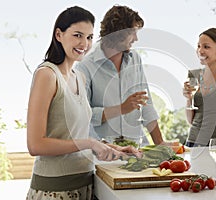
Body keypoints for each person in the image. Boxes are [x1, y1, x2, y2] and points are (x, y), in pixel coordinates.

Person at [26, 6, 141, 200]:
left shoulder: (79, 77)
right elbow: (36, 144)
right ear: (59, 35)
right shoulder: (47, 74)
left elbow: (76, 136)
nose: (84, 44)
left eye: (89, 37)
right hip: (54, 190)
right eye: (78, 35)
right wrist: (90, 142)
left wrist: (112, 148)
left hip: (86, 185)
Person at [76, 5, 164, 146]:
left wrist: (161, 144)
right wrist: (121, 108)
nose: (136, 38)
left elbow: (146, 105)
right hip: (104, 153)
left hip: (137, 149)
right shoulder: (85, 66)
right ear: (118, 33)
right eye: (132, 33)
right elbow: (82, 115)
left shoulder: (135, 59)